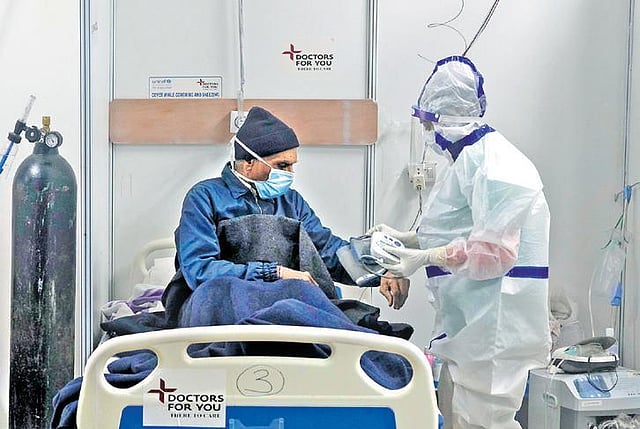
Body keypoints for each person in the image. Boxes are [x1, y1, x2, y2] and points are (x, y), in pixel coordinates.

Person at [371, 56, 551, 429]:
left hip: (497, 323)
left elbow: (494, 254)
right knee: (466, 418)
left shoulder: (498, 167)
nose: (425, 132)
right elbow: (463, 229)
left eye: (428, 122)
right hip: (473, 321)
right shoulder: (467, 160)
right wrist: (411, 239)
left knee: (487, 422)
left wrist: (422, 257)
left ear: (448, 118)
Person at [174, 105, 410, 310]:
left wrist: (383, 270)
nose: (289, 174)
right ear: (248, 163)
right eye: (282, 166)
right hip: (222, 302)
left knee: (356, 326)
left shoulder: (290, 201)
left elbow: (326, 251)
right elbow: (200, 269)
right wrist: (274, 273)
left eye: (292, 166)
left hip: (283, 302)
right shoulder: (205, 197)